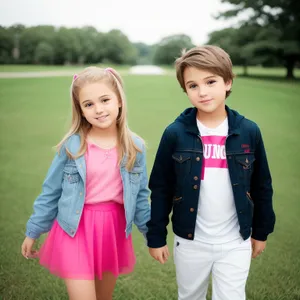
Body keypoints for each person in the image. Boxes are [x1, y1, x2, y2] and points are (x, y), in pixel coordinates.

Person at [146, 45, 275, 300]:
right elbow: (161, 188)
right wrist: (156, 236)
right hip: (190, 240)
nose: (202, 92)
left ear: (227, 82)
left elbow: (262, 185)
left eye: (210, 81)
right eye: (193, 86)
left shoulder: (249, 131)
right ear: (185, 90)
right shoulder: (175, 133)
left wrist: (261, 231)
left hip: (235, 241)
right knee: (190, 296)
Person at [21, 66, 150, 300]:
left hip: (113, 228)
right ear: (80, 110)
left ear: (119, 100)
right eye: (88, 104)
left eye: (104, 100)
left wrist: (153, 236)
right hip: (75, 227)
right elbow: (51, 191)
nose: (98, 109)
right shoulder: (72, 146)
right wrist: (34, 231)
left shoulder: (135, 146)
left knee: (103, 297)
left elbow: (141, 195)